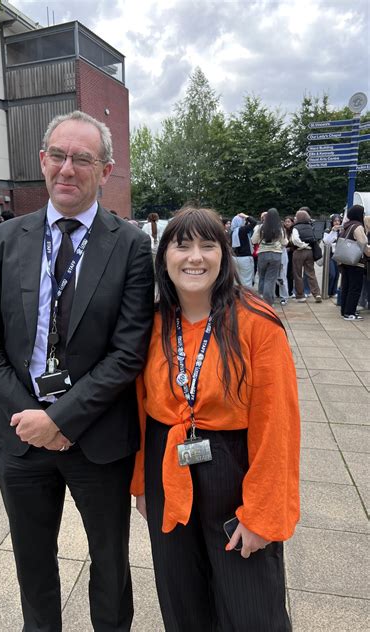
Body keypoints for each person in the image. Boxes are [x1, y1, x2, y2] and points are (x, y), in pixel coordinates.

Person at [0, 110, 155, 631]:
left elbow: (128, 351)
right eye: (59, 155)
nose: (67, 169)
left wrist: (64, 420)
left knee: (111, 565)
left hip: (98, 441)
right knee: (32, 565)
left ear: (107, 170)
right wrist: (33, 415)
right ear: (43, 160)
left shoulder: (132, 246)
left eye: (83, 158)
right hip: (20, 435)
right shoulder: (4, 240)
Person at [131, 206, 299, 632]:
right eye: (182, 245)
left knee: (250, 608)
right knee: (182, 600)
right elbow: (138, 410)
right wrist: (142, 486)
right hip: (167, 465)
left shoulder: (258, 323)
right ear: (163, 255)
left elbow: (277, 424)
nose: (195, 257)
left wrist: (261, 514)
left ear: (224, 255)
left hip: (234, 469)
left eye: (208, 245)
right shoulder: (149, 323)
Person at [339, 205, 370, 321]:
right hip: (356, 261)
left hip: (346, 261)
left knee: (346, 286)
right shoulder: (357, 226)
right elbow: (362, 243)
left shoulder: (347, 226)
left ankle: (344, 311)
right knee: (355, 287)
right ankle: (350, 312)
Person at [251, 207, 288, 306]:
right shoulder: (280, 228)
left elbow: (254, 240)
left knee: (262, 276)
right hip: (276, 254)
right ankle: (268, 301)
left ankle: (262, 297)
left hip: (262, 254)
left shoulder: (260, 227)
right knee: (270, 278)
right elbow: (285, 242)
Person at [291, 208, 322, 303]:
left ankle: (300, 296)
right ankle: (316, 293)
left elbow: (295, 239)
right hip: (310, 252)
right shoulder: (309, 226)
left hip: (299, 251)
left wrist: (302, 245)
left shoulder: (296, 228)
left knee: (298, 274)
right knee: (311, 273)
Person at [230, 212, 257, 288]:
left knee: (236, 280)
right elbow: (254, 222)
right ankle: (246, 298)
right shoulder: (242, 230)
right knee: (247, 280)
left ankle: (237, 297)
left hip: (234, 258)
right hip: (245, 258)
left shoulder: (232, 232)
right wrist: (246, 216)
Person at [322, 214, 343, 298]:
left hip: (338, 255)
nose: (337, 223)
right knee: (332, 274)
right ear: (332, 222)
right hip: (329, 255)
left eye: (338, 221)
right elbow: (326, 241)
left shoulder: (342, 231)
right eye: (335, 221)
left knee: (337, 274)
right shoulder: (328, 230)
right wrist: (333, 231)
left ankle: (333, 292)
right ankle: (327, 291)